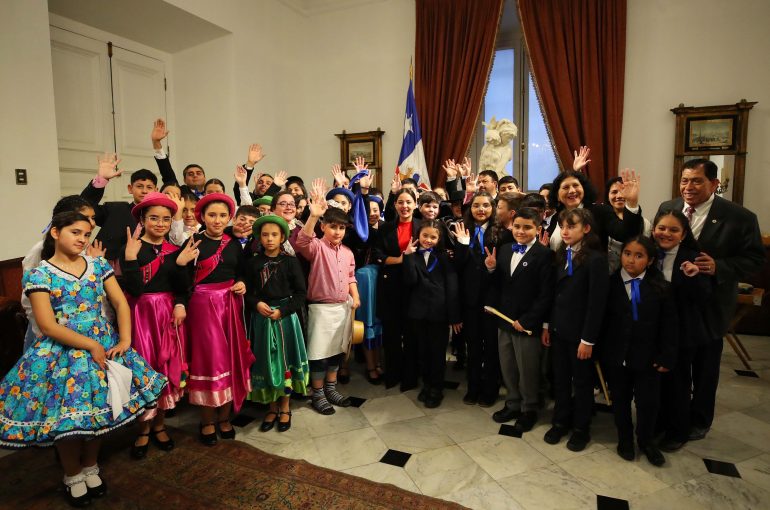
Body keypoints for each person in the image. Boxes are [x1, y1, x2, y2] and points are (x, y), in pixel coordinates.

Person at [0, 211, 166, 507]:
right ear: (55, 233)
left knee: (99, 410)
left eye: (86, 234)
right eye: (75, 232)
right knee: (69, 420)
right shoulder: (41, 274)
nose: (82, 239)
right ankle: (72, 473)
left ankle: (91, 465)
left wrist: (125, 339)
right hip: (63, 350)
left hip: (103, 344)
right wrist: (90, 345)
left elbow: (118, 301)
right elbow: (48, 325)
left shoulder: (98, 265)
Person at [657, 158, 764, 441]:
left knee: (704, 369)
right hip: (674, 306)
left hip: (711, 307)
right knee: (675, 366)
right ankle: (671, 417)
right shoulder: (668, 209)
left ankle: (700, 420)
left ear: (714, 185)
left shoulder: (740, 217)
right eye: (684, 180)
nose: (688, 187)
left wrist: (719, 267)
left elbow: (755, 259)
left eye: (696, 181)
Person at [120, 193, 197, 459]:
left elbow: (183, 287)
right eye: (154, 218)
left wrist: (180, 303)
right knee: (144, 369)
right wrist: (130, 260)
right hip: (141, 316)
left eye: (166, 219)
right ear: (142, 220)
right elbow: (133, 289)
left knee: (165, 368)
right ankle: (143, 429)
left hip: (167, 315)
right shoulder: (132, 248)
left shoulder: (176, 251)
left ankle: (161, 424)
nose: (161, 223)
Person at [182, 193, 255, 445]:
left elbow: (242, 271)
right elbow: (181, 279)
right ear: (202, 216)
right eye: (212, 215)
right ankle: (207, 420)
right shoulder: (193, 242)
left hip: (230, 306)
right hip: (202, 307)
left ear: (229, 217)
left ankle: (225, 418)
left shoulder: (233, 242)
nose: (217, 220)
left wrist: (242, 283)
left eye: (223, 215)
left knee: (231, 358)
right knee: (209, 361)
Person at [602, 236, 677, 466]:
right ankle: (624, 438)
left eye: (639, 255)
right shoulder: (610, 284)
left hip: (648, 357)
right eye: (627, 254)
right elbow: (603, 321)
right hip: (617, 356)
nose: (631, 260)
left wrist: (666, 355)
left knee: (648, 402)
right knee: (620, 400)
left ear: (650, 260)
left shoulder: (660, 287)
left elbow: (670, 325)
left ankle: (645, 440)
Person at [542, 208, 608, 452]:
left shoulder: (596, 259)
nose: (566, 231)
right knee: (560, 379)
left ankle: (581, 428)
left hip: (581, 335)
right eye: (563, 227)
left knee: (582, 382)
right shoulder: (561, 253)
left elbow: (596, 303)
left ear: (586, 229)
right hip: (559, 329)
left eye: (572, 226)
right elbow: (553, 294)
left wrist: (588, 339)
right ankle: (560, 421)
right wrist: (548, 325)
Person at [485, 208, 553, 433]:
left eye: (527, 227)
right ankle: (513, 403)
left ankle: (529, 408)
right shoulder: (504, 250)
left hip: (527, 325)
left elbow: (546, 294)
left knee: (528, 369)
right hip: (504, 320)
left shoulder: (544, 255)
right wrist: (491, 269)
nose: (521, 231)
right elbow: (501, 285)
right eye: (517, 226)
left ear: (537, 229)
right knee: (508, 366)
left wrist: (529, 320)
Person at [650, 210, 712, 452]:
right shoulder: (649, 252)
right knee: (656, 381)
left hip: (682, 332)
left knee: (678, 383)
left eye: (674, 230)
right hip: (654, 330)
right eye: (661, 228)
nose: (666, 233)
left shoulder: (693, 257)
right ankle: (658, 423)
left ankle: (678, 430)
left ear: (684, 234)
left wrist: (694, 277)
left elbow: (704, 297)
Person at [294, 187, 360, 415]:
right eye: (333, 226)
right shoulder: (317, 247)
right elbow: (302, 242)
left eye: (342, 228)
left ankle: (331, 389)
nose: (338, 231)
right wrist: (313, 215)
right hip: (320, 309)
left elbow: (351, 277)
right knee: (319, 354)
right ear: (324, 227)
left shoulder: (349, 252)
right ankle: (318, 393)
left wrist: (356, 296)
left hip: (342, 308)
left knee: (336, 353)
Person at [245, 215, 308, 433]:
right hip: (262, 319)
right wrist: (256, 303)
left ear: (282, 237)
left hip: (285, 319)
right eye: (265, 235)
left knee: (286, 361)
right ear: (259, 238)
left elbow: (301, 294)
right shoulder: (253, 263)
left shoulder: (290, 262)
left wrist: (283, 310)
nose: (270, 239)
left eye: (274, 235)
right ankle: (271, 407)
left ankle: (285, 407)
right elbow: (247, 293)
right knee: (267, 361)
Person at [21, 196, 101, 351]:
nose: (92, 223)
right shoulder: (39, 251)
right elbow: (28, 300)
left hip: (83, 331)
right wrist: (42, 333)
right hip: (50, 334)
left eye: (93, 218)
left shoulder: (83, 248)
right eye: (86, 217)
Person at [402, 219, 461, 408]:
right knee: (423, 351)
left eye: (433, 237)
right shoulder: (413, 256)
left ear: (439, 238)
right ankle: (427, 385)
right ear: (418, 236)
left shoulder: (445, 257)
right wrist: (408, 257)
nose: (428, 240)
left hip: (439, 312)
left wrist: (454, 317)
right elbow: (409, 282)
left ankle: (436, 388)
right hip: (418, 312)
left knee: (437, 352)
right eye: (425, 235)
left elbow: (452, 287)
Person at [452, 192, 500, 406]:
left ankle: (490, 390)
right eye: (476, 206)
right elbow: (458, 268)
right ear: (469, 209)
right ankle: (473, 388)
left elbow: (505, 272)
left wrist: (492, 270)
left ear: (493, 208)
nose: (481, 209)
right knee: (473, 348)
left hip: (492, 301)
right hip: (469, 300)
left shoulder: (502, 233)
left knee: (491, 349)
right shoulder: (463, 230)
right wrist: (462, 244)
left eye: (486, 205)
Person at [373, 188, 420, 389]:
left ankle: (410, 378)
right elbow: (378, 256)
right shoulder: (384, 228)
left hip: (416, 288)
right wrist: (402, 258)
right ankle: (393, 375)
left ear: (415, 204)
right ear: (395, 205)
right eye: (400, 202)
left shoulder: (423, 226)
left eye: (409, 202)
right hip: (390, 287)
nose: (405, 206)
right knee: (391, 335)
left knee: (412, 336)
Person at [80, 154, 158, 263]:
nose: (144, 191)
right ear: (130, 189)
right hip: (106, 267)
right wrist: (102, 179)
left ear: (156, 190)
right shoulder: (115, 209)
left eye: (149, 187)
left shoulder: (162, 217)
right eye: (139, 186)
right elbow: (83, 207)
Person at [546, 167, 642, 252]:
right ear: (557, 196)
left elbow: (626, 235)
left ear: (584, 189)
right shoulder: (556, 217)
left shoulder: (600, 211)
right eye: (566, 187)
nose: (572, 191)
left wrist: (631, 203)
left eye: (576, 185)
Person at [604, 176, 651, 273]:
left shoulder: (644, 223)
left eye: (623, 191)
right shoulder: (601, 220)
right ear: (608, 197)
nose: (619, 196)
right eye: (614, 192)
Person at [150, 118, 206, 197]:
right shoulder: (180, 192)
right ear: (185, 180)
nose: (195, 175)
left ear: (205, 178)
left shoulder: (212, 191)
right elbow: (167, 173)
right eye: (190, 174)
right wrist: (156, 142)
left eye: (198, 173)